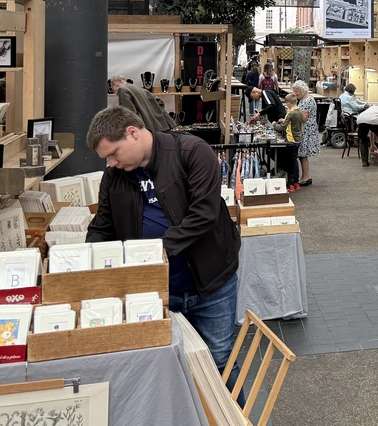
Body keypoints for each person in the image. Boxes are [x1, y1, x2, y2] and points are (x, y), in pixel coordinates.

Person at [85, 107, 241, 371]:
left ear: (132, 133)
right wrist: (87, 262)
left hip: (210, 284)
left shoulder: (192, 152)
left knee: (219, 361)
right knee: (162, 366)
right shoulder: (114, 176)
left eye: (113, 153)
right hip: (153, 291)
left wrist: (153, 251)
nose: (111, 163)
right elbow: (102, 227)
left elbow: (204, 215)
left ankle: (229, 401)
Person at [272, 94, 304, 191]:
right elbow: (293, 122)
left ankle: (290, 184)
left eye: (286, 104)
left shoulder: (290, 113)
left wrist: (274, 124)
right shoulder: (299, 111)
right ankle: (296, 182)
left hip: (291, 140)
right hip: (298, 139)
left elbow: (282, 127)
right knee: (294, 161)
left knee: (289, 163)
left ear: (289, 104)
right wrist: (285, 120)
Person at [291, 80, 320, 187]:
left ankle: (306, 177)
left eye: (296, 91)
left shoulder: (307, 101)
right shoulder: (305, 99)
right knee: (302, 154)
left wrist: (292, 115)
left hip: (306, 130)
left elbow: (303, 118)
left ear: (302, 90)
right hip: (306, 129)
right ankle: (305, 176)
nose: (295, 94)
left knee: (303, 154)